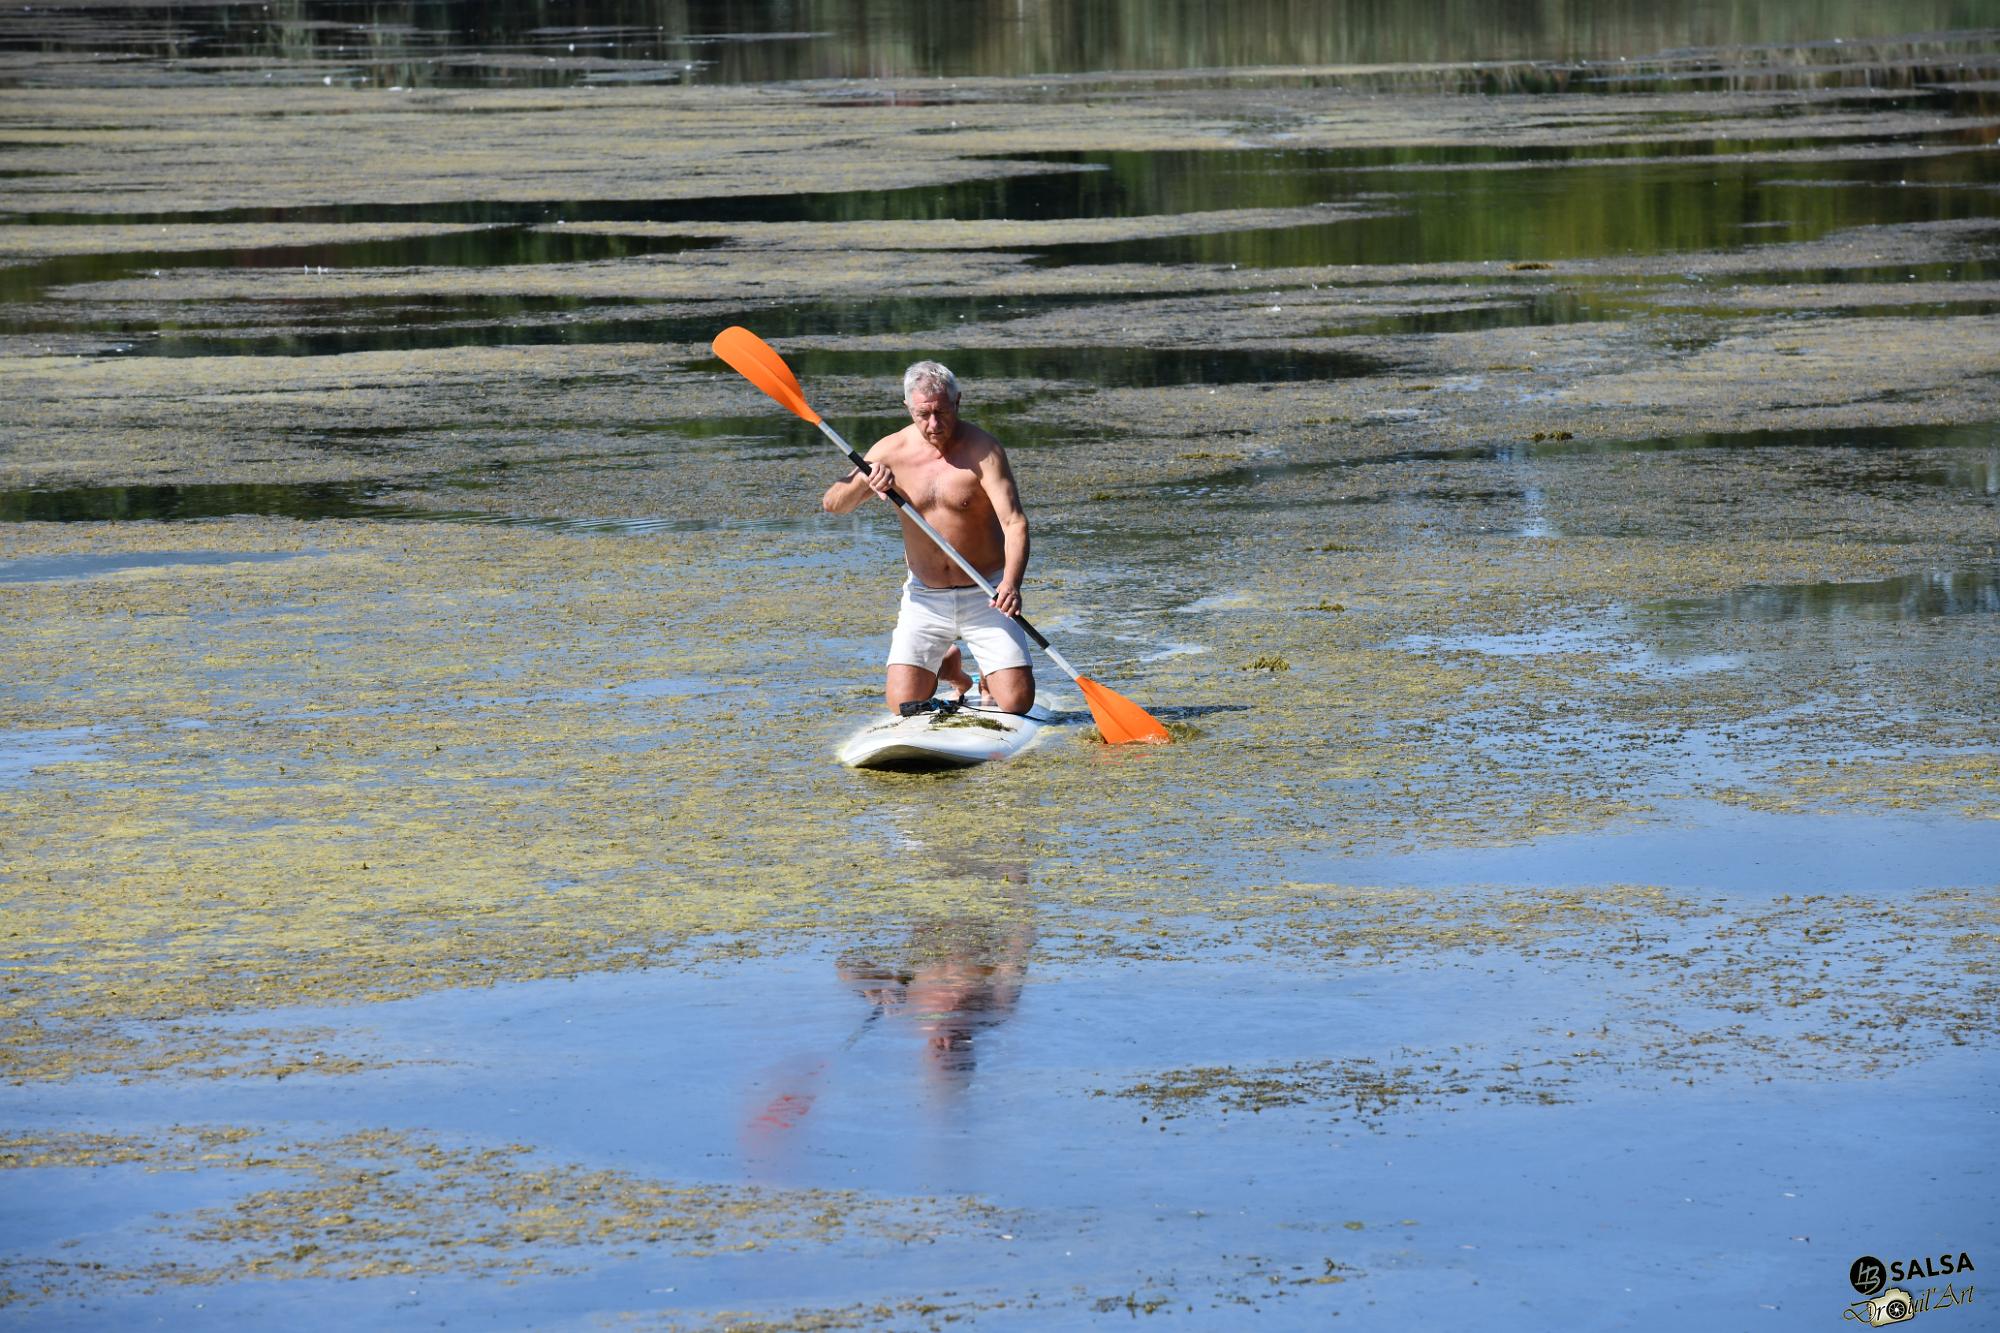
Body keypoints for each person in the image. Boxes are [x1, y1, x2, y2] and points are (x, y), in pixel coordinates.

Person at [821, 360, 1036, 714]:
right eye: (923, 414)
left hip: (986, 593)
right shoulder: (890, 452)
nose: (934, 424)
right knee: (902, 704)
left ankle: (988, 671)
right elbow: (833, 505)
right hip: (925, 596)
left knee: (1016, 703)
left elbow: (1015, 523)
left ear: (957, 402)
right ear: (908, 407)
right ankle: (951, 668)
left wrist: (1011, 584)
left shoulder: (984, 451)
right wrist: (865, 482)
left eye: (942, 412)